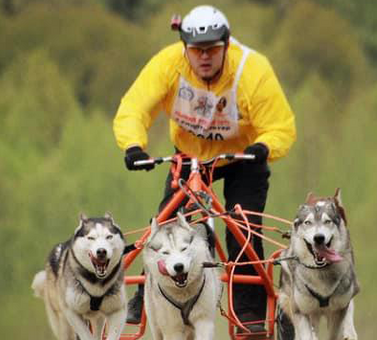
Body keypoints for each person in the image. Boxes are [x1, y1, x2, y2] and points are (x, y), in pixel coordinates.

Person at [113, 5, 296, 334]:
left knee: (242, 226)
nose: (205, 57)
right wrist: (133, 146)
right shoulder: (168, 64)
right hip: (189, 158)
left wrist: (264, 147)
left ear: (226, 45)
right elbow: (134, 107)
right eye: (197, 50)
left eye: (212, 49)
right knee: (166, 228)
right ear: (185, 48)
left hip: (243, 159)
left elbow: (280, 126)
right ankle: (144, 294)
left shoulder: (252, 70)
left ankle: (249, 310)